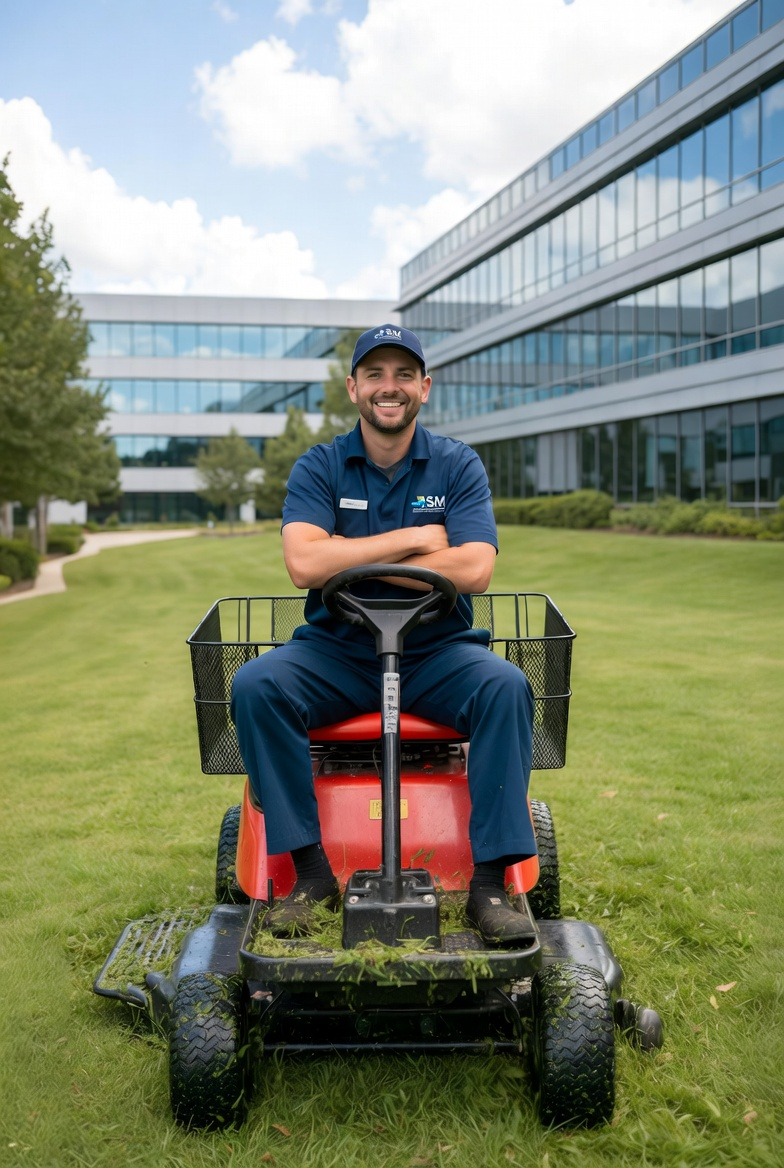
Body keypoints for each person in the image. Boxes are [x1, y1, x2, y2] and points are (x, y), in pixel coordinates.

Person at [231, 324, 536, 944]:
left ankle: (487, 886)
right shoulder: (320, 466)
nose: (388, 387)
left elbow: (474, 568)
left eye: (403, 374)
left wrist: (348, 554)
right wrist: (418, 542)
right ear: (353, 388)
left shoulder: (457, 465)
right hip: (336, 650)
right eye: (375, 374)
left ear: (424, 387)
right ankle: (311, 874)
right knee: (257, 685)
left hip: (436, 650)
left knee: (505, 687)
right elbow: (304, 567)